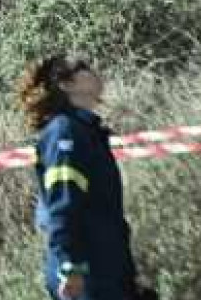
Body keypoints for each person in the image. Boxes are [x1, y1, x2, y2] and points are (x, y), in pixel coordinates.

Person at [16, 54, 147, 300]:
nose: (94, 70)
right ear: (66, 85)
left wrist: (126, 274)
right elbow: (62, 206)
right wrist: (70, 266)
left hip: (105, 271)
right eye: (83, 67)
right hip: (85, 275)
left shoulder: (86, 131)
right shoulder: (65, 132)